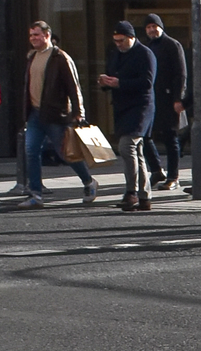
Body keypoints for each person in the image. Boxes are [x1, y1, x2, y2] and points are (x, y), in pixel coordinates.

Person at [17, 19, 96, 208]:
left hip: (55, 114)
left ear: (47, 35)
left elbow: (73, 86)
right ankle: (36, 194)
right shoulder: (32, 57)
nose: (33, 38)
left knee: (66, 153)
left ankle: (88, 182)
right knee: (31, 151)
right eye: (31, 35)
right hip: (35, 114)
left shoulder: (60, 58)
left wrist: (78, 112)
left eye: (36, 34)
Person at [97, 20, 156, 211]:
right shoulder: (116, 54)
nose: (118, 44)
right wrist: (105, 82)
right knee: (137, 152)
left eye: (121, 40)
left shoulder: (145, 53)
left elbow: (147, 82)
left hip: (140, 108)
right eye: (115, 41)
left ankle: (131, 192)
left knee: (127, 146)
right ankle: (144, 196)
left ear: (132, 37)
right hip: (123, 107)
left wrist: (119, 83)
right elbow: (113, 74)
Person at [141, 13, 188, 188]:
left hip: (169, 99)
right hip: (151, 100)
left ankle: (173, 177)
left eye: (155, 26)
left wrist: (178, 98)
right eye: (148, 27)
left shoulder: (172, 45)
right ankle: (157, 170)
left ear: (161, 27)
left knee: (171, 139)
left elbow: (181, 74)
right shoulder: (147, 47)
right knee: (144, 135)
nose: (152, 30)